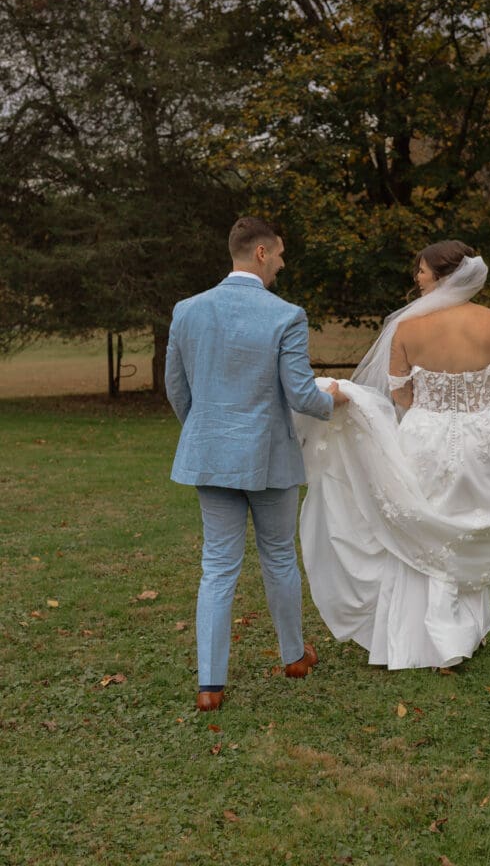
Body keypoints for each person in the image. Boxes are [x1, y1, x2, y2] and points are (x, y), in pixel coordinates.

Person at [295, 241, 490, 670]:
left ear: (443, 275)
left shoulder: (409, 327)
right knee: (467, 525)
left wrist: (429, 413)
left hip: (424, 436)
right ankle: (460, 633)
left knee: (423, 530)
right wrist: (482, 417)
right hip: (483, 437)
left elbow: (399, 392)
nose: (416, 278)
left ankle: (426, 639)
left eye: (421, 271)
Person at [165, 216, 348, 710]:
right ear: (261, 253)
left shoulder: (187, 310)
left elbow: (177, 390)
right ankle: (294, 656)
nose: (283, 265)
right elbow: (302, 394)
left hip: (210, 457)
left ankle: (210, 685)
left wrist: (207, 434)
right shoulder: (285, 315)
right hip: (269, 458)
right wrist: (336, 399)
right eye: (281, 254)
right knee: (279, 557)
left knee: (217, 567)